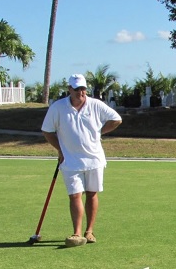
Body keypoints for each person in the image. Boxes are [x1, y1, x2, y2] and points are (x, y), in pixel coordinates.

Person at [41, 73, 122, 247]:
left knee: (92, 193)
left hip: (94, 159)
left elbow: (116, 119)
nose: (81, 92)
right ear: (69, 89)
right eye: (77, 89)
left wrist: (100, 131)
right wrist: (60, 149)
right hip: (70, 160)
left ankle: (89, 231)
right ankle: (77, 233)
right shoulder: (58, 107)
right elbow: (47, 131)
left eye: (83, 89)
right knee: (75, 195)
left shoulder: (95, 105)